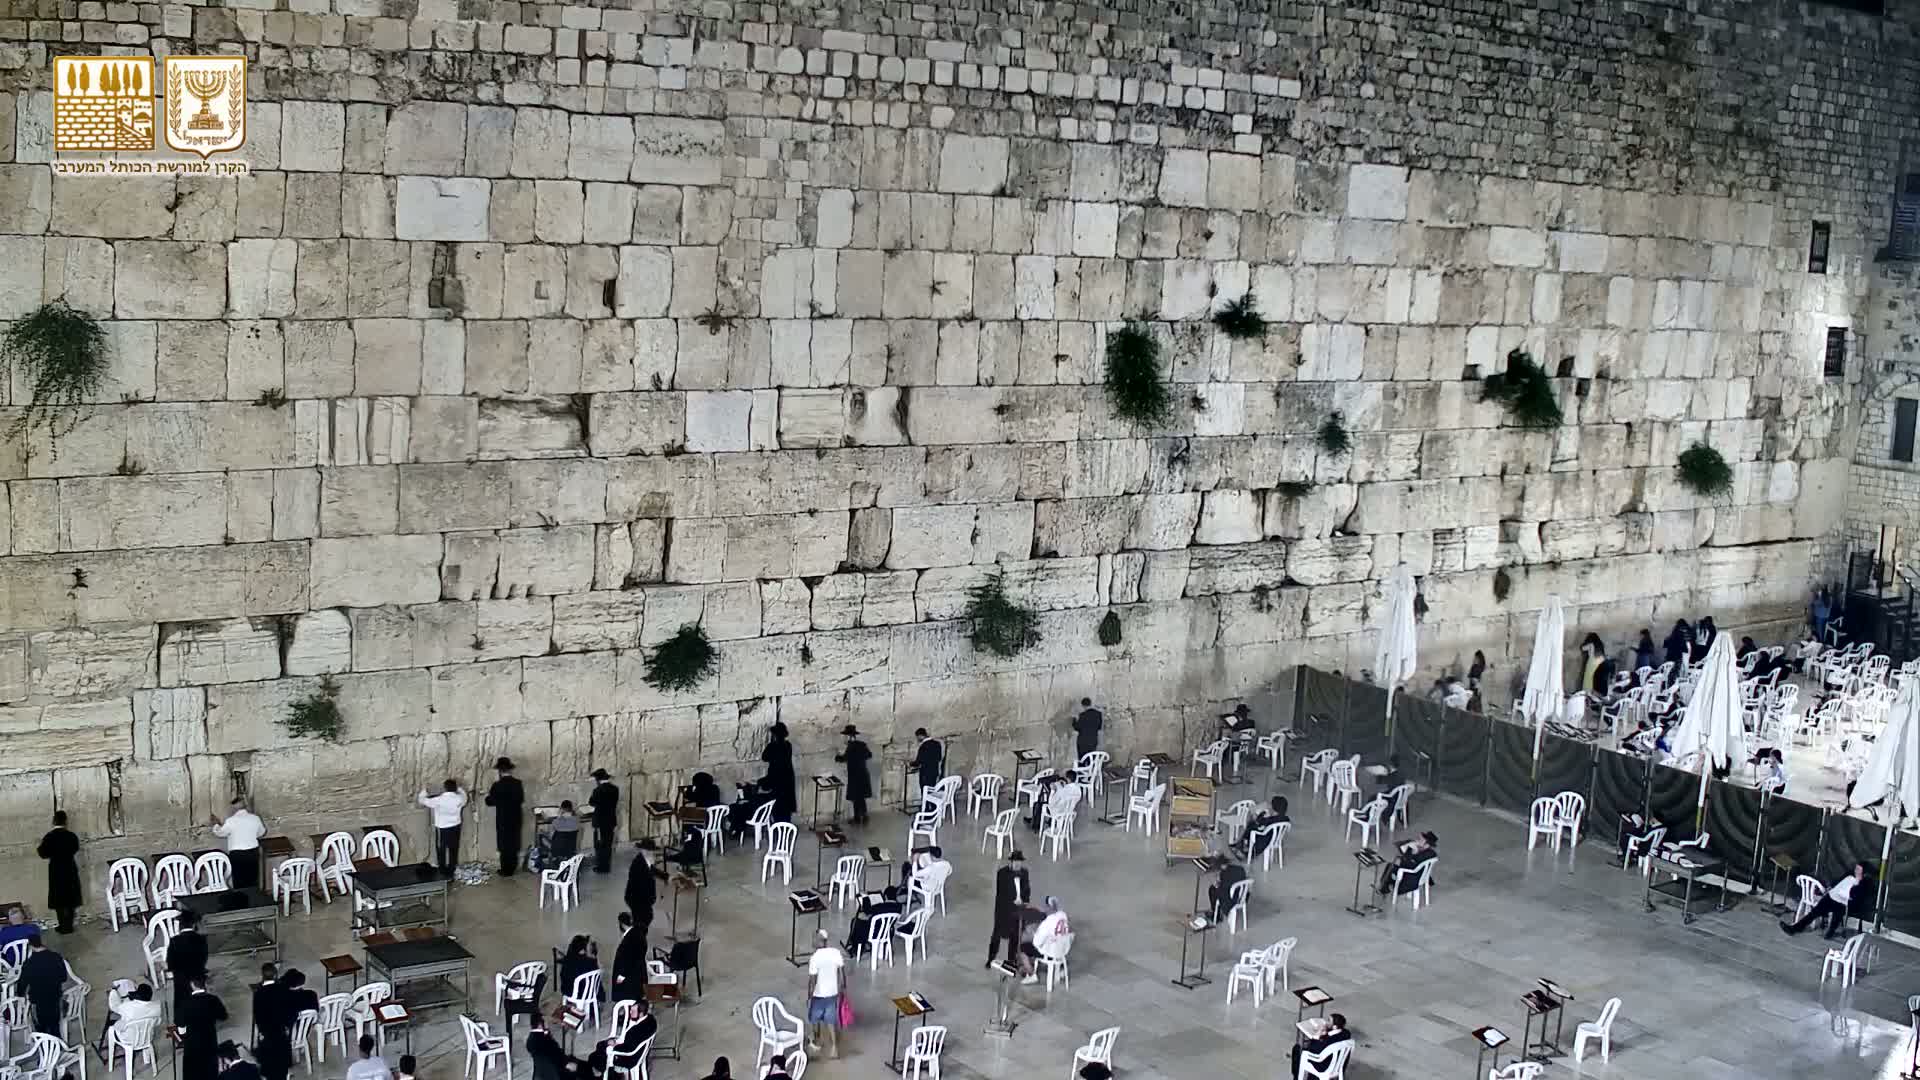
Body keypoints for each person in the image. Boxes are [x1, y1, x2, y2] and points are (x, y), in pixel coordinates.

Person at [1782, 862, 1869, 939]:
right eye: (1856, 868)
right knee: (1814, 912)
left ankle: (1830, 931)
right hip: (1832, 896)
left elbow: (1855, 897)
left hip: (1844, 902)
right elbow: (1837, 883)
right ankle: (1795, 928)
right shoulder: (1849, 875)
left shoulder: (1864, 883)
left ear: (1863, 872)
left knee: (1838, 912)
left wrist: (1856, 885)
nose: (1856, 870)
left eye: (1858, 869)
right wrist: (1830, 889)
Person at [36, 811, 81, 933]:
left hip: (56, 870)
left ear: (54, 821)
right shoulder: (71, 836)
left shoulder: (49, 836)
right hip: (70, 868)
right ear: (66, 821)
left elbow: (42, 853)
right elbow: (75, 848)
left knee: (59, 899)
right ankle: (69, 925)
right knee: (70, 898)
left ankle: (62, 926)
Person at [587, 997, 655, 1075]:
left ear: (641, 1014)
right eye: (630, 1009)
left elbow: (629, 1048)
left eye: (633, 1011)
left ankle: (599, 1073)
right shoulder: (650, 1019)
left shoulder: (637, 1030)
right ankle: (598, 1070)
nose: (630, 1012)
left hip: (629, 1058)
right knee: (600, 1047)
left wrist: (614, 1045)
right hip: (633, 1050)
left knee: (596, 1054)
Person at [211, 797, 267, 892]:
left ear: (234, 808)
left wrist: (216, 824)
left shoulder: (231, 821)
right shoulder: (255, 818)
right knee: (253, 879)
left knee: (239, 880)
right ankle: (254, 901)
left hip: (237, 854)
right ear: (245, 806)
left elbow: (220, 833)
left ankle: (242, 902)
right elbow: (262, 832)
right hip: (252, 852)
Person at [178, 975, 228, 1080]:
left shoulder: (185, 1002)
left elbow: (181, 1027)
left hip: (192, 1043)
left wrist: (183, 1036)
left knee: (192, 1070)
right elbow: (224, 1016)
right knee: (210, 1069)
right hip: (209, 1039)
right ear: (204, 984)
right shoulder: (213, 999)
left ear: (192, 985)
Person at [804, 928, 845, 1058]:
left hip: (819, 995)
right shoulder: (836, 953)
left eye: (814, 938)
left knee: (815, 1019)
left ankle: (817, 1042)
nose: (812, 941)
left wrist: (809, 997)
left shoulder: (815, 958)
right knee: (830, 1020)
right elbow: (842, 975)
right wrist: (842, 990)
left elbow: (812, 981)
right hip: (833, 993)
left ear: (820, 941)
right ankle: (834, 1048)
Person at [987, 849, 1031, 967]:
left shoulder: (1024, 873)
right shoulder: (1002, 873)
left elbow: (1027, 889)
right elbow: (1002, 894)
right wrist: (1014, 902)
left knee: (1015, 937)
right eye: (1015, 862)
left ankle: (1011, 961)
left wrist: (1024, 901)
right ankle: (991, 958)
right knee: (996, 936)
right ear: (1010, 862)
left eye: (1019, 862)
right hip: (1004, 910)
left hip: (1017, 911)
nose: (1018, 864)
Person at [418, 779, 468, 879]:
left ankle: (443, 871)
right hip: (455, 826)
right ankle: (451, 870)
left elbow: (422, 801)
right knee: (453, 848)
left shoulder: (439, 800)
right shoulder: (459, 798)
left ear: (444, 788)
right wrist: (460, 788)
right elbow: (465, 797)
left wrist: (424, 790)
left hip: (442, 827)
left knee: (441, 849)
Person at [485, 757, 526, 877]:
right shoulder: (518, 783)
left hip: (503, 818)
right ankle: (513, 867)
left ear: (499, 771)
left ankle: (505, 870)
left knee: (504, 843)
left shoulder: (497, 785)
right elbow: (520, 799)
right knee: (514, 841)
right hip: (516, 817)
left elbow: (489, 801)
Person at [17, 934, 67, 1034]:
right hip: (55, 998)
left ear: (30, 946)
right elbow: (63, 978)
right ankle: (56, 1043)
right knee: (54, 1026)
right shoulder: (56, 957)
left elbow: (21, 986)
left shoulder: (29, 964)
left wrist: (20, 995)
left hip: (38, 1002)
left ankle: (43, 1042)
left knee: (41, 1027)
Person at [167, 910, 210, 1018]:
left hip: (180, 978)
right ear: (194, 924)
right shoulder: (201, 939)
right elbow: (204, 958)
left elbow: (170, 963)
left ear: (180, 926)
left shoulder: (174, 941)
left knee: (181, 1002)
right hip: (197, 976)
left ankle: (182, 1026)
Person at [1021, 896, 1070, 984]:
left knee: (1023, 948)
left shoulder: (1046, 923)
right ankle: (1060, 969)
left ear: (1048, 907)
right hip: (1062, 950)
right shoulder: (1063, 915)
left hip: (1050, 953)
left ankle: (1031, 974)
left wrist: (1033, 933)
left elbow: (1037, 943)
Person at [845, 886, 906, 956]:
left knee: (855, 922)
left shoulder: (881, 906)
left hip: (875, 932)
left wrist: (865, 897)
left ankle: (856, 948)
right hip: (888, 932)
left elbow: (867, 911)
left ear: (885, 896)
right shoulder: (899, 907)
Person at [107, 981, 163, 1054]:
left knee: (112, 1028)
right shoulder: (156, 1007)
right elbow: (158, 1022)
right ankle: (146, 1056)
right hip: (147, 1038)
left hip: (128, 1039)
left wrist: (113, 991)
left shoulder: (129, 1007)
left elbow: (114, 1006)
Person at [1290, 1013, 1352, 1079]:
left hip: (1323, 1065)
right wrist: (1327, 1032)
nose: (1326, 1022)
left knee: (1297, 1049)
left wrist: (1317, 1035)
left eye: (1329, 1021)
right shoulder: (1346, 1033)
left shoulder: (1328, 1041)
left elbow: (1313, 1049)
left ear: (1335, 1027)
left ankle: (1296, 1076)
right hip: (1338, 1064)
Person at [526, 1015, 585, 1080]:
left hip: (549, 1068)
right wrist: (566, 1064)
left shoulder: (533, 1038)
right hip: (557, 1071)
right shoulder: (544, 1040)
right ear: (540, 1024)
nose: (549, 1023)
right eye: (547, 1021)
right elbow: (554, 1056)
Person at [834, 725, 873, 825]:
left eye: (845, 736)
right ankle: (863, 816)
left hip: (855, 775)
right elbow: (869, 755)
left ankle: (857, 817)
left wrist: (837, 756)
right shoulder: (861, 744)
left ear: (849, 736)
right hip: (863, 774)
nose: (844, 738)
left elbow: (844, 758)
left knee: (856, 797)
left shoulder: (851, 747)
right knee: (860, 797)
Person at [761, 722, 798, 823]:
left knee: (778, 807)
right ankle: (785, 831)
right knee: (786, 808)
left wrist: (771, 743)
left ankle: (778, 830)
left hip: (777, 780)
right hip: (787, 779)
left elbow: (764, 757)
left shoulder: (773, 746)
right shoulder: (788, 746)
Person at [588, 768, 620, 874]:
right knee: (608, 844)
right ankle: (607, 866)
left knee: (599, 844)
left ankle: (601, 866)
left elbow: (591, 802)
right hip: (611, 820)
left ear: (598, 779)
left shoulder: (598, 790)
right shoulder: (615, 789)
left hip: (600, 821)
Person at [610, 911, 646, 1003]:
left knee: (626, 997)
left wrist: (622, 975)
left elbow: (628, 959)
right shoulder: (639, 934)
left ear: (622, 924)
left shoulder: (628, 940)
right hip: (639, 973)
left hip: (629, 976)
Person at [624, 841, 657, 938]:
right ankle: (637, 938)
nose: (650, 853)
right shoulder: (638, 864)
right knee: (642, 920)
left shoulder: (646, 859)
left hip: (643, 899)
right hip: (637, 899)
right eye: (648, 851)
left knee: (644, 919)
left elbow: (652, 870)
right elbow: (640, 885)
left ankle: (638, 935)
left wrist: (667, 877)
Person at [557, 935, 599, 1001]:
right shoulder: (591, 961)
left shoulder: (568, 961)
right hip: (591, 993)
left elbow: (563, 978)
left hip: (573, 993)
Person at [912, 728, 943, 798]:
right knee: (933, 789)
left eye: (917, 737)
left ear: (920, 736)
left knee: (925, 790)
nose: (917, 739)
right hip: (934, 771)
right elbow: (939, 757)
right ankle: (933, 806)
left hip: (925, 773)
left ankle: (926, 807)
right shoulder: (937, 744)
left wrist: (910, 763)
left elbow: (918, 761)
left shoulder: (923, 746)